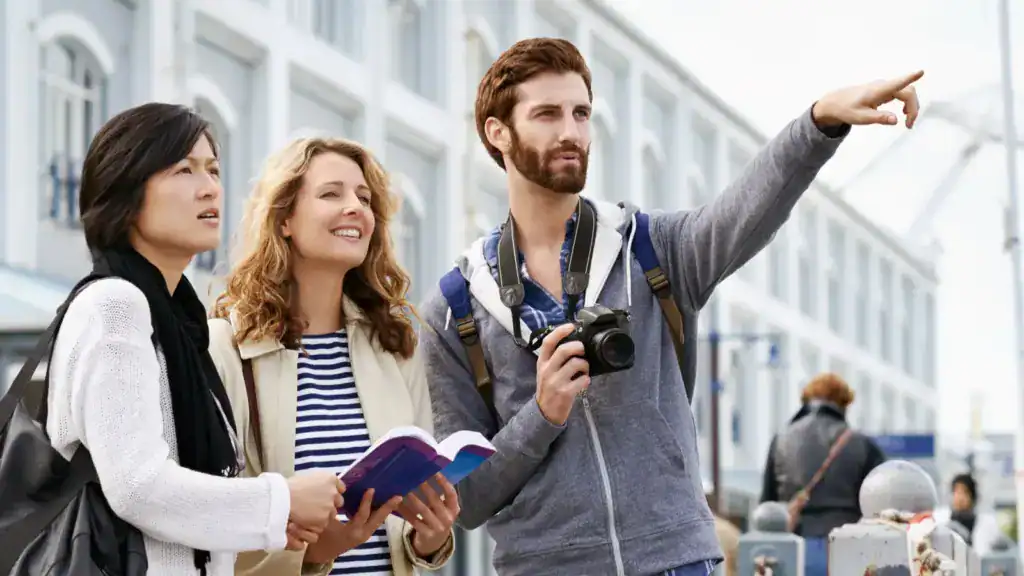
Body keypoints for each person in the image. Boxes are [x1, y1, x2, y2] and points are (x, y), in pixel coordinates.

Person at [418, 36, 922, 576]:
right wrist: (541, 415)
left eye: (582, 113)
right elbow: (466, 499)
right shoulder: (455, 309)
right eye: (546, 114)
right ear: (499, 133)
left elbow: (746, 209)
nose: (571, 132)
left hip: (677, 559)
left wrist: (818, 123)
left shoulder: (653, 248)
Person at [45, 103, 345, 576]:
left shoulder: (182, 324)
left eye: (214, 169)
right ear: (125, 190)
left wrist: (269, 524)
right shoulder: (115, 306)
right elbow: (138, 487)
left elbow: (188, 507)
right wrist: (280, 498)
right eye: (184, 170)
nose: (210, 188)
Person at [208, 136, 457, 576]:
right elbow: (209, 517)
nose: (356, 208)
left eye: (364, 198)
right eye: (331, 194)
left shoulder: (395, 346)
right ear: (284, 219)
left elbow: (405, 530)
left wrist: (430, 539)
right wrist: (312, 554)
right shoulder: (227, 347)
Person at [760, 372, 887, 575]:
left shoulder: (781, 440)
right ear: (844, 404)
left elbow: (767, 502)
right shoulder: (861, 444)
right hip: (846, 549)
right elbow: (880, 508)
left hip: (792, 547)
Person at [949, 473, 979, 544]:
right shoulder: (945, 522)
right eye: (956, 492)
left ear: (972, 496)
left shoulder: (981, 523)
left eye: (964, 492)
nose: (960, 498)